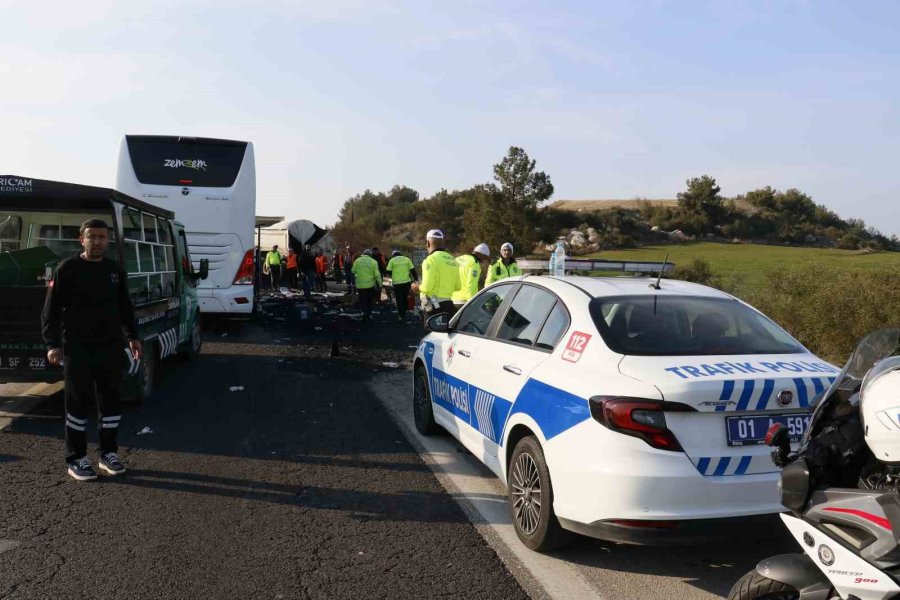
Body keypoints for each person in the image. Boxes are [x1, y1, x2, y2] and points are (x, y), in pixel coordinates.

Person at [41, 218, 142, 481]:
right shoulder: (67, 269)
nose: (97, 241)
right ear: (81, 239)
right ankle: (77, 459)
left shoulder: (114, 270)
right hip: (77, 349)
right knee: (78, 403)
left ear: (107, 240)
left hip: (110, 347)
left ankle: (109, 453)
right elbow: (50, 312)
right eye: (92, 236)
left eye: (101, 237)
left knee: (110, 402)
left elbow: (125, 308)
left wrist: (132, 337)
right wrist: (52, 344)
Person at [414, 229, 459, 323]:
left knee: (433, 336)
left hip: (434, 306)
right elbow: (458, 286)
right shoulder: (453, 260)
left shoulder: (430, 260)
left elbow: (427, 288)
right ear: (443, 243)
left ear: (428, 243)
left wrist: (417, 286)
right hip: (449, 305)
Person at [386, 250, 418, 321]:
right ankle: (406, 310)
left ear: (393, 255)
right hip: (406, 282)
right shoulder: (406, 259)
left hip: (396, 283)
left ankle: (401, 314)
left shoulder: (392, 260)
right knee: (405, 296)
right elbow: (413, 270)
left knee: (398, 298)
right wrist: (416, 279)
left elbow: (388, 271)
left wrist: (393, 275)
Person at [351, 249, 382, 322]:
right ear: (370, 255)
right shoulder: (373, 262)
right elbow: (377, 274)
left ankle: (363, 312)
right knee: (369, 300)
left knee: (362, 299)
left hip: (360, 285)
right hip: (370, 285)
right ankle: (368, 314)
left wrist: (354, 282)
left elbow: (353, 271)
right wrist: (380, 284)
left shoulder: (357, 261)